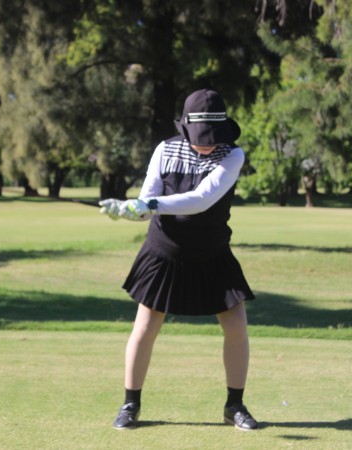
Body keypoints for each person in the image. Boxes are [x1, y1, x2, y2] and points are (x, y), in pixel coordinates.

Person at [99, 89, 258, 431]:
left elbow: (201, 199)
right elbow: (147, 203)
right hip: (165, 251)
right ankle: (130, 404)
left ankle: (234, 405)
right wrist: (130, 210)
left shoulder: (232, 155)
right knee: (145, 327)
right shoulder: (165, 149)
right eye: (201, 137)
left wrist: (148, 205)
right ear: (186, 128)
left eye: (213, 136)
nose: (207, 144)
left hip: (212, 251)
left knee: (236, 327)